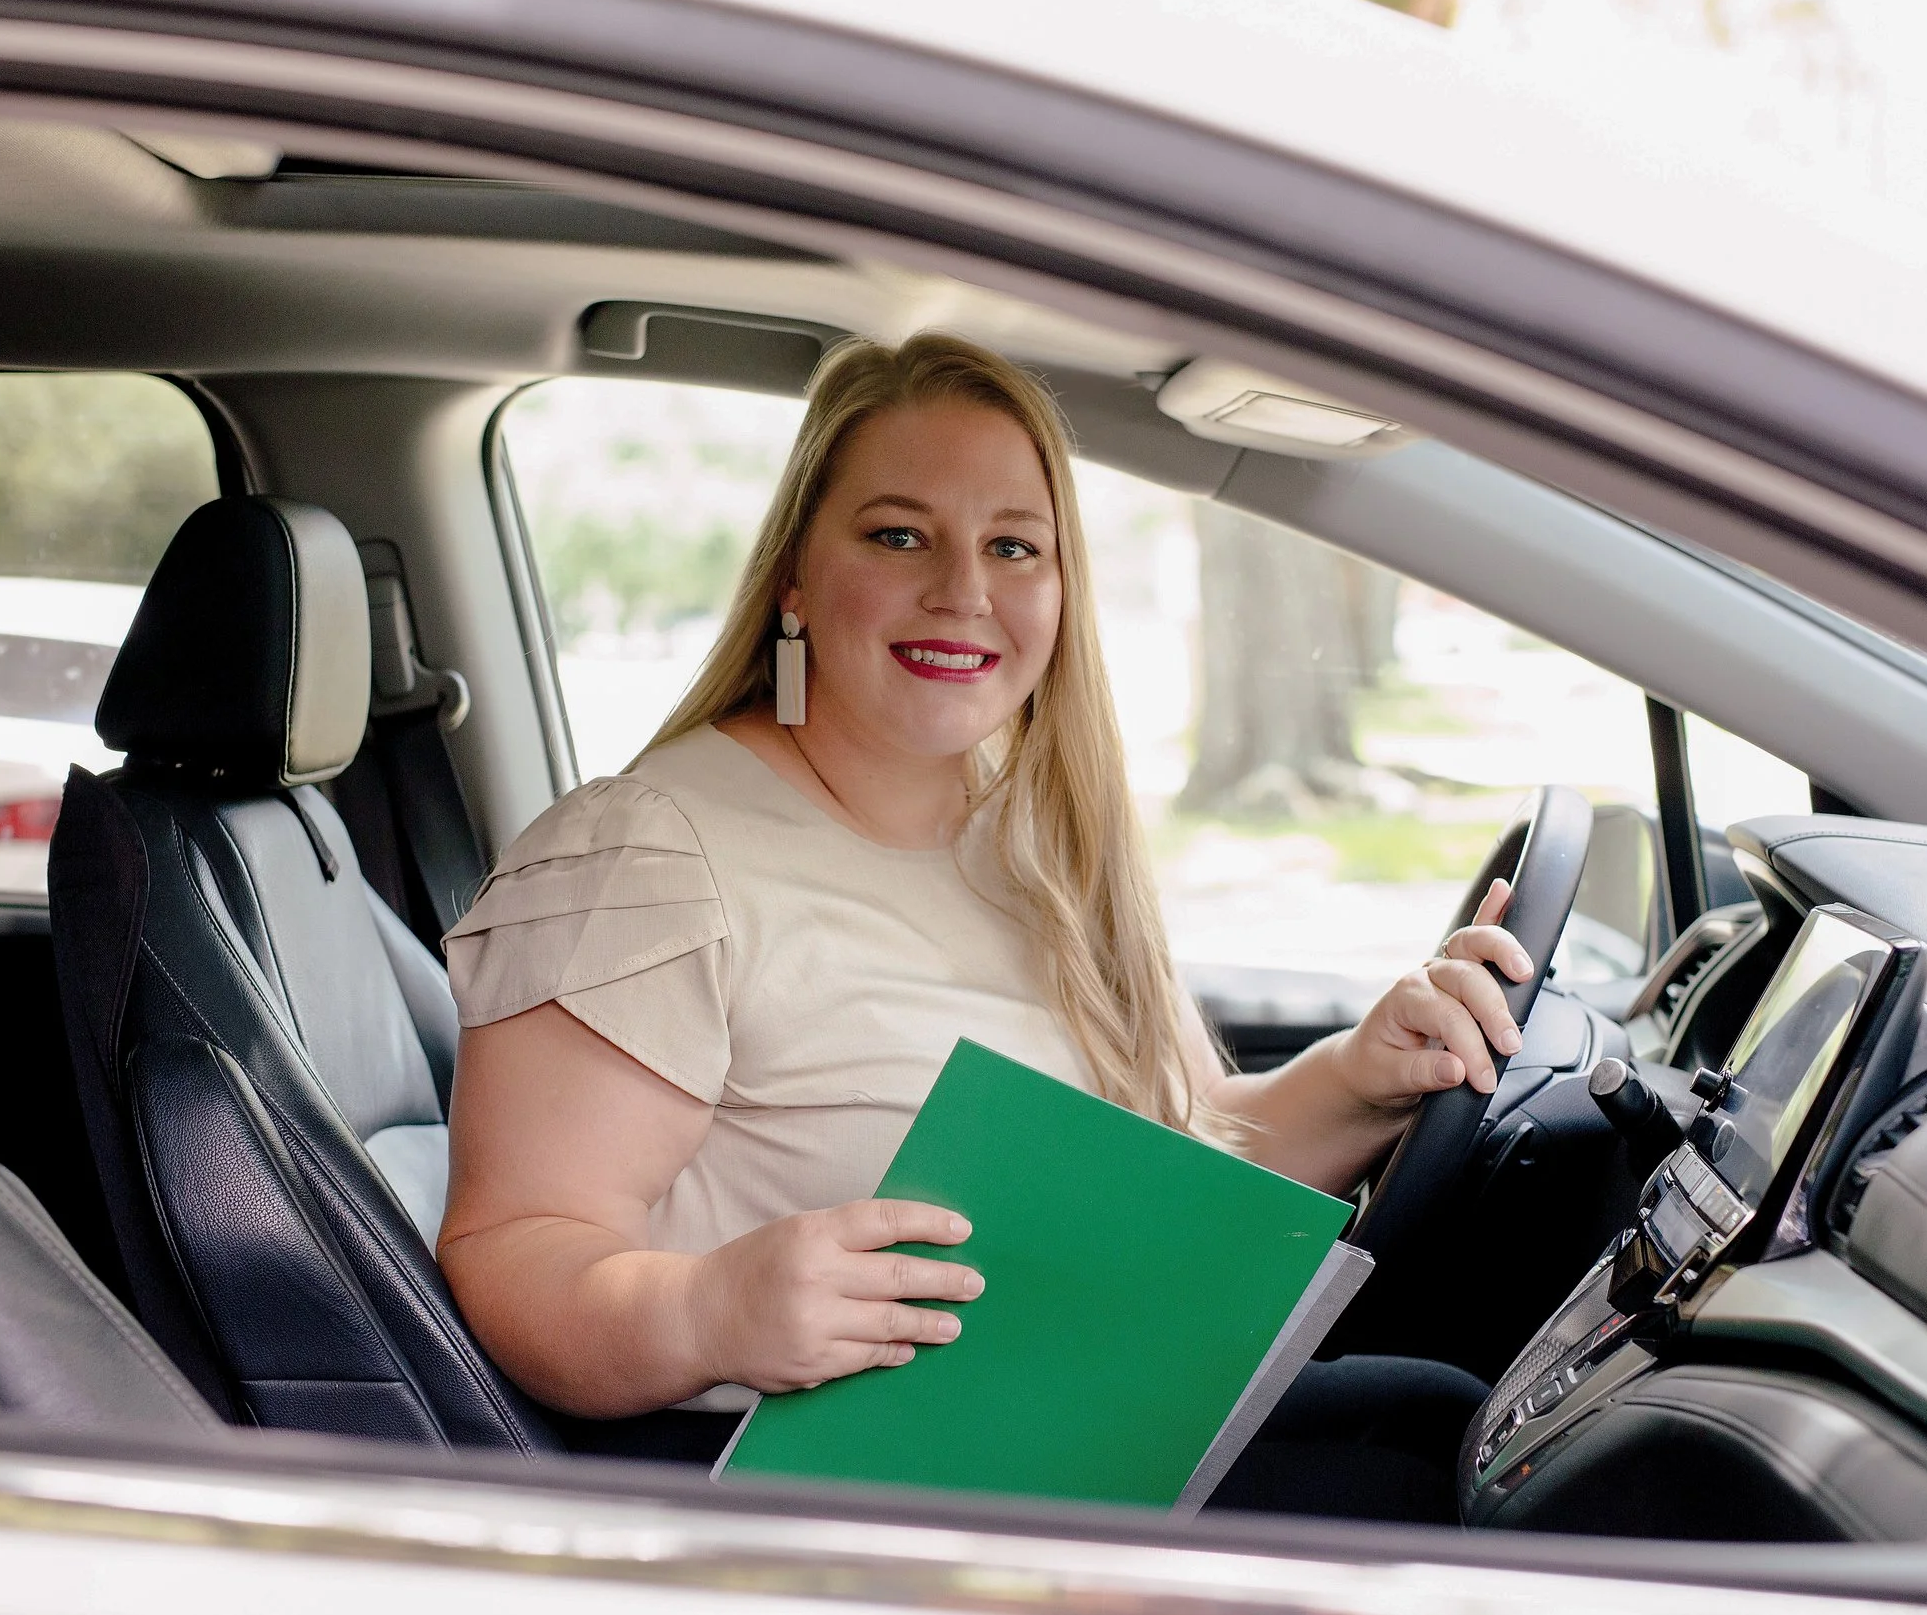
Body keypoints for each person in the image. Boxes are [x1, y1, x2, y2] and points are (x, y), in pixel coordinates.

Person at [437, 333, 1523, 1516]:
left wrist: (1363, 1078)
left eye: (1013, 545)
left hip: (1065, 1431)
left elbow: (1167, 1172)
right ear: (796, 576)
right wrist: (710, 1308)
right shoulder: (645, 855)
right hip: (841, 1502)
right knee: (1441, 1464)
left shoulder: (1035, 845)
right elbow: (517, 1248)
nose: (963, 589)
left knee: (1443, 1417)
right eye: (897, 534)